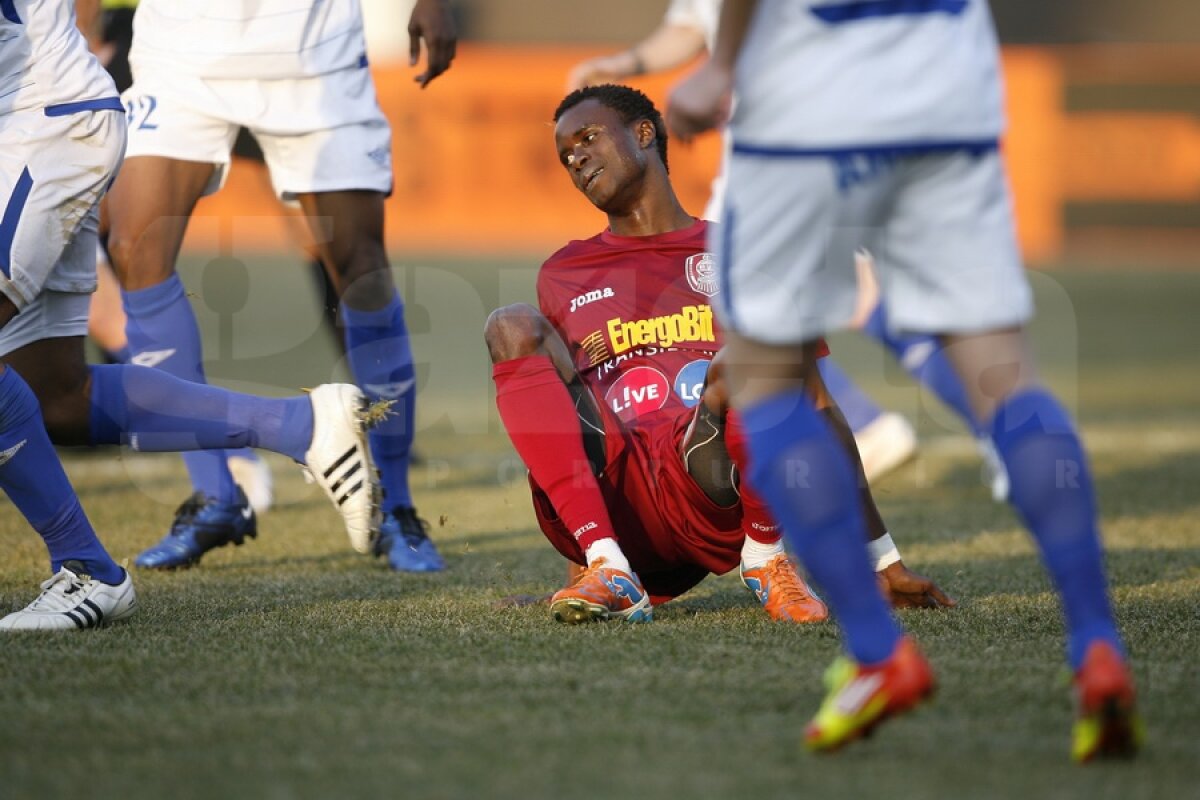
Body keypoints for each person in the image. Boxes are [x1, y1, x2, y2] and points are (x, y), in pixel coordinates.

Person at [666, 0, 1140, 760]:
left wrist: (720, 63)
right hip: (945, 87)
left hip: (804, 93)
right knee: (1002, 372)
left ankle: (877, 652)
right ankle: (1095, 645)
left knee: (765, 377)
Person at [486, 84, 953, 624]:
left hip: (712, 489)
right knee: (510, 324)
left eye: (588, 138)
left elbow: (818, 402)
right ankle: (605, 565)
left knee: (751, 358)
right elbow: (572, 417)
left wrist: (883, 559)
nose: (577, 159)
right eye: (567, 155)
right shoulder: (562, 273)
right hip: (622, 507)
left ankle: (767, 558)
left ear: (643, 134)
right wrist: (577, 570)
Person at [0, 0, 379, 630]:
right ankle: (301, 425)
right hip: (37, 126)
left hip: (42, 126)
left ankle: (88, 570)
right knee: (56, 396)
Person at [566, 0, 1008, 497]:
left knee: (733, 296)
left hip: (791, 140)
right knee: (847, 298)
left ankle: (917, 425)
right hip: (794, 142)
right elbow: (694, 22)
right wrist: (626, 65)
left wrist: (720, 72)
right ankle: (984, 423)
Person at [104, 0, 457, 572]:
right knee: (132, 247)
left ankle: (397, 507)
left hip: (313, 48)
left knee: (361, 270)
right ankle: (217, 495)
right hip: (182, 45)